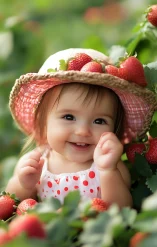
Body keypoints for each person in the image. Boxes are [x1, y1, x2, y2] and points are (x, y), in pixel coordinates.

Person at [6, 48, 156, 208]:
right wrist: (23, 184)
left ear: (114, 127)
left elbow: (121, 209)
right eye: (69, 117)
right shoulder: (39, 162)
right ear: (44, 123)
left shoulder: (110, 165)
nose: (83, 131)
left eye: (99, 121)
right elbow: (14, 202)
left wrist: (107, 171)